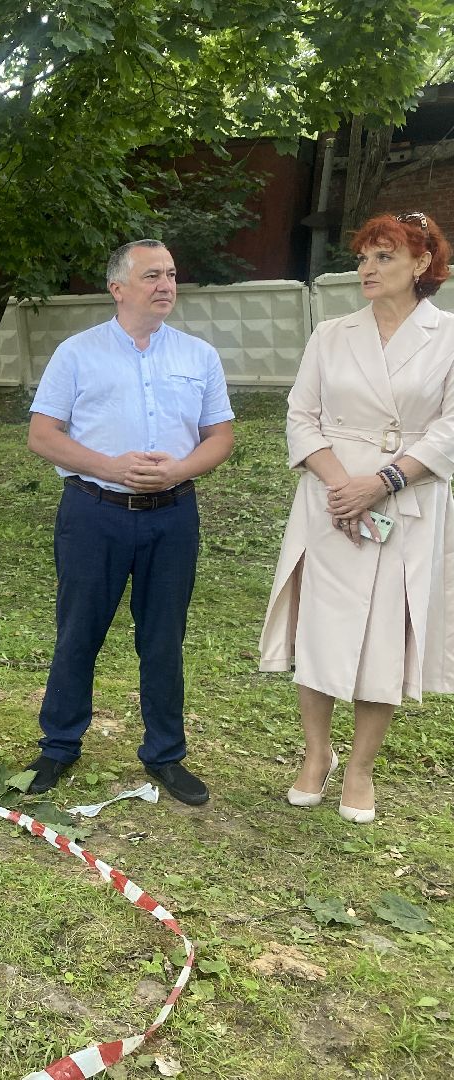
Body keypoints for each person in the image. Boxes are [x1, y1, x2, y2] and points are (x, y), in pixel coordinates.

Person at [24, 240, 234, 805]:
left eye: (171, 274)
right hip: (94, 513)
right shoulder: (77, 353)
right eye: (152, 276)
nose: (166, 285)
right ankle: (58, 746)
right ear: (117, 288)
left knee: (163, 639)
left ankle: (165, 754)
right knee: (78, 632)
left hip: (173, 516)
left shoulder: (198, 356)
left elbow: (220, 437)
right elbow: (42, 435)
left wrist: (178, 470)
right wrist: (110, 467)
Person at [260, 211, 454, 823]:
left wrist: (384, 481)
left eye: (384, 257)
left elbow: (451, 427)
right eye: (364, 257)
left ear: (422, 264)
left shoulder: (448, 337)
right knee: (320, 626)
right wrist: (343, 485)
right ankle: (315, 755)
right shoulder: (331, 334)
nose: (367, 269)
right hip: (332, 498)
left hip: (407, 497)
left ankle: (361, 769)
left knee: (386, 636)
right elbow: (301, 417)